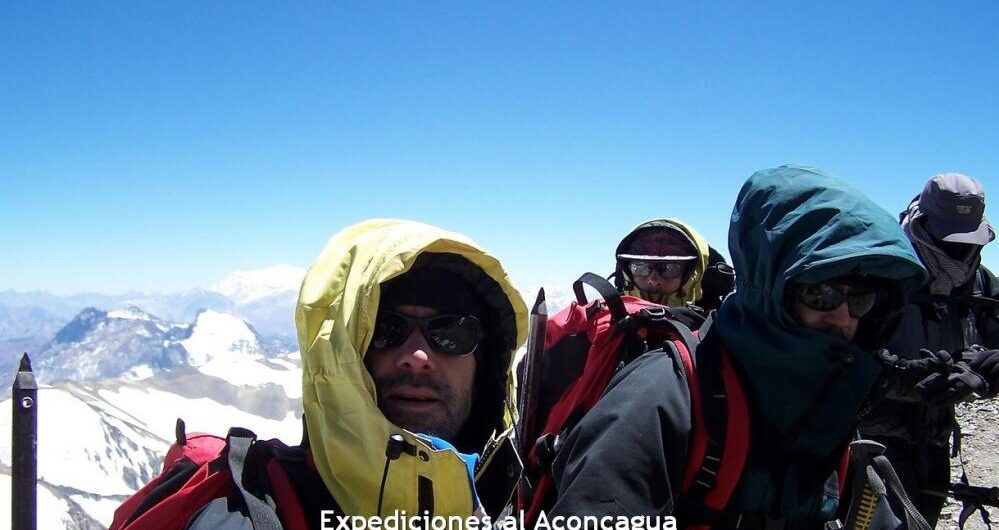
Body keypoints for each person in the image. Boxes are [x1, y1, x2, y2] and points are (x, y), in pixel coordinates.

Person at [549, 165, 927, 527]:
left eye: (861, 301)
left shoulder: (833, 400)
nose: (843, 317)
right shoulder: (661, 395)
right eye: (820, 293)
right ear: (771, 288)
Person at [194, 219, 528, 524]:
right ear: (345, 355)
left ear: (484, 364)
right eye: (386, 329)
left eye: (451, 334)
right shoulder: (249, 514)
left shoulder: (527, 498)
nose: (417, 356)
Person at [858, 173, 999, 527]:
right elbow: (832, 354)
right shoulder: (877, 272)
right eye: (949, 238)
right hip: (869, 443)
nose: (961, 250)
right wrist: (900, 377)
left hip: (932, 443)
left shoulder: (980, 283)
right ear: (921, 224)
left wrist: (981, 373)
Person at [612, 219, 711, 308]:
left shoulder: (720, 325)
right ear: (627, 273)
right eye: (640, 267)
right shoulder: (604, 321)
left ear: (692, 275)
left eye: (670, 268)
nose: (653, 280)